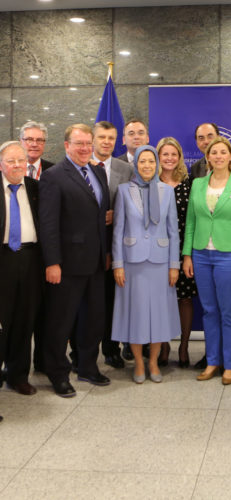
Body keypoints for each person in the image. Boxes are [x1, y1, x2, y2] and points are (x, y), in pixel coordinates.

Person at [39, 124, 111, 398]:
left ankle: (87, 366)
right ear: (66, 145)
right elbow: (48, 224)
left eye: (87, 143)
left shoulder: (97, 171)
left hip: (95, 262)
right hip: (66, 265)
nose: (84, 148)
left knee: (93, 319)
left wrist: (105, 252)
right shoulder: (54, 176)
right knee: (61, 321)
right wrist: (52, 262)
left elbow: (101, 216)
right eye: (78, 143)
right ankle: (58, 373)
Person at [183, 136, 231, 386]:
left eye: (223, 152)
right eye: (213, 152)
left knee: (230, 312)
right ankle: (213, 361)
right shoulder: (198, 185)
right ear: (208, 157)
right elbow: (191, 222)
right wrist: (187, 255)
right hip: (202, 254)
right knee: (209, 311)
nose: (218, 156)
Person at [111, 145, 181, 384]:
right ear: (136, 164)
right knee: (137, 313)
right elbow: (118, 229)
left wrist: (175, 265)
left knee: (159, 315)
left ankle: (153, 361)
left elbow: (173, 230)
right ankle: (139, 361)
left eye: (151, 161)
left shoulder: (167, 191)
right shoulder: (123, 191)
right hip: (133, 262)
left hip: (161, 262)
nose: (147, 166)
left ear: (157, 164)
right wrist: (118, 264)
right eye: (143, 162)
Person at [0, 141, 42, 396]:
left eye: (20, 160)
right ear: (1, 164)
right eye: (11, 161)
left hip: (30, 259)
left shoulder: (36, 188)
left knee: (25, 321)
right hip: (3, 259)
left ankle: (18, 376)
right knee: (2, 322)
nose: (17, 165)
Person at [92, 121, 134, 369]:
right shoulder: (83, 166)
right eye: (101, 137)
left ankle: (111, 349)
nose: (106, 142)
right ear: (93, 139)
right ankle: (80, 354)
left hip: (115, 246)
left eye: (111, 138)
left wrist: (116, 216)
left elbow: (131, 207)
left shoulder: (125, 169)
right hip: (85, 248)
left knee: (111, 301)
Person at [157, 136, 197, 368]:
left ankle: (183, 345)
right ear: (158, 157)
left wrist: (188, 254)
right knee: (161, 300)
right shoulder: (149, 182)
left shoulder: (189, 183)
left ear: (179, 157)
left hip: (183, 249)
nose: (170, 158)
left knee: (184, 299)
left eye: (174, 154)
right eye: (165, 154)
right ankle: (163, 346)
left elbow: (194, 220)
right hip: (157, 250)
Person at [19, 121, 53, 374]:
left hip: (49, 253)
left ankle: (43, 363)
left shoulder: (54, 171)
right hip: (18, 253)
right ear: (21, 141)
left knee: (47, 313)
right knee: (20, 312)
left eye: (39, 140)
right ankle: (15, 366)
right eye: (29, 139)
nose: (34, 144)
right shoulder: (11, 170)